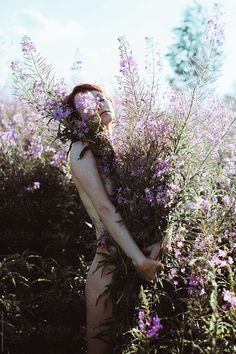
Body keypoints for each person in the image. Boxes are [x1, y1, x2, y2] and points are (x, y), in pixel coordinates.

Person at [67, 84, 162, 354]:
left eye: (100, 97)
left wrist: (156, 243)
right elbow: (106, 209)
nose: (98, 102)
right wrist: (139, 260)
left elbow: (151, 206)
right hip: (109, 269)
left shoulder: (124, 150)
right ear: (79, 119)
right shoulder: (80, 149)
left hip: (143, 263)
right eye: (86, 103)